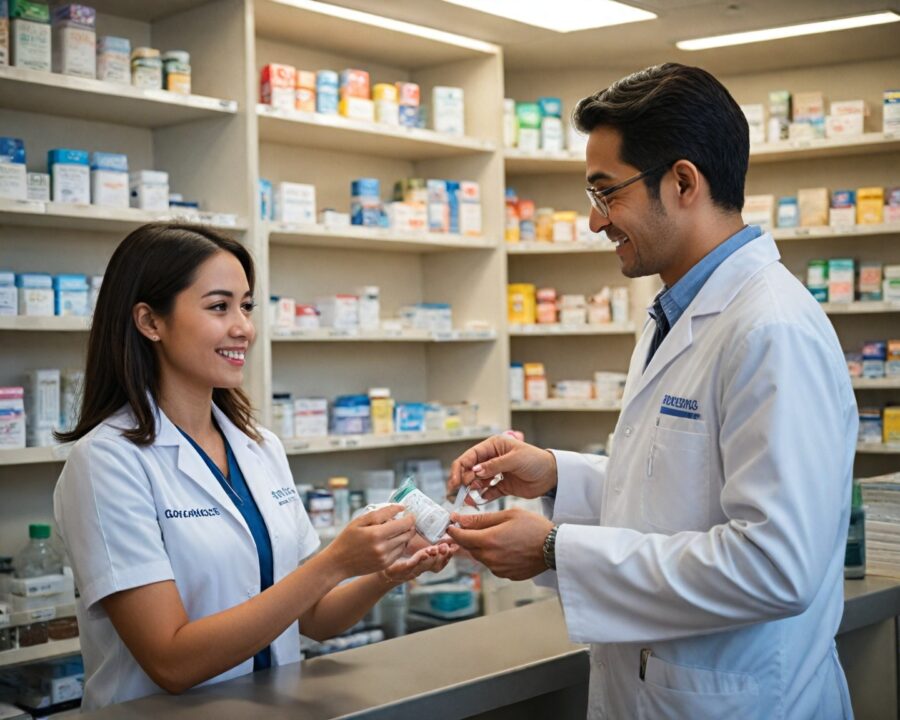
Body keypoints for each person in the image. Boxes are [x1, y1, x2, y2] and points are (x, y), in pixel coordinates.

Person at [447, 64, 856, 719]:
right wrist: (555, 475)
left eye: (606, 192)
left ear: (683, 181)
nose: (593, 221)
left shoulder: (769, 328)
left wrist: (554, 547)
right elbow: (681, 493)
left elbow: (775, 565)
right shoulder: (680, 309)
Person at [53, 223, 454, 710]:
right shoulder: (106, 463)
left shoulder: (259, 446)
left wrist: (384, 570)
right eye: (218, 306)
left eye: (246, 305)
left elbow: (313, 619)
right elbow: (171, 661)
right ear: (149, 321)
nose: (243, 326)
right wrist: (335, 562)